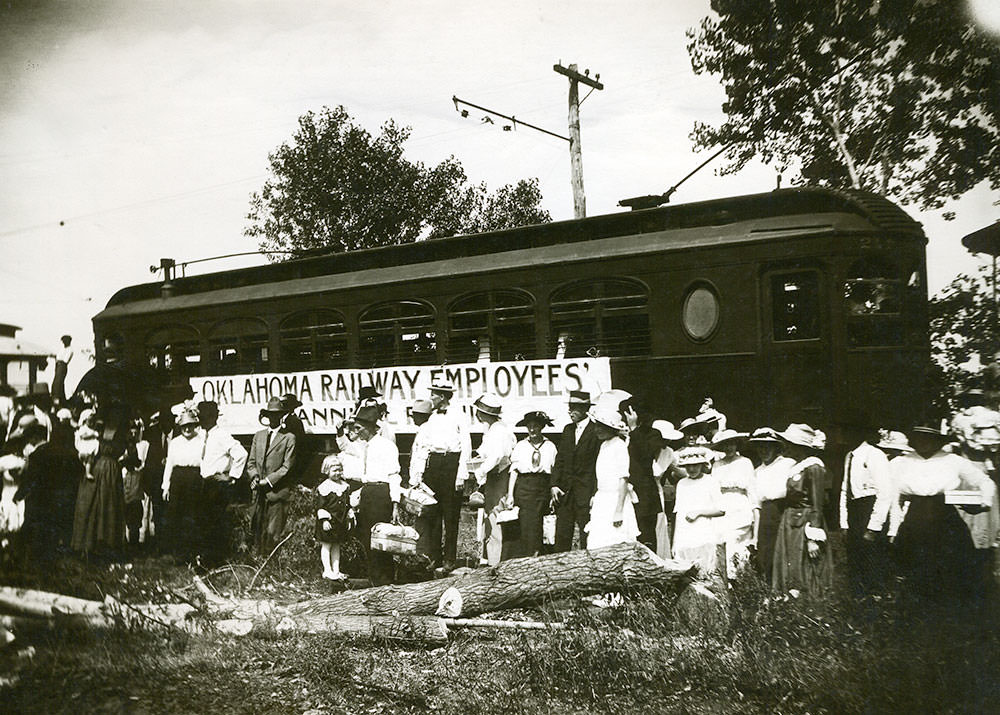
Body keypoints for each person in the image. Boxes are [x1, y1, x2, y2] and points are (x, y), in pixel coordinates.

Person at [890, 425, 996, 601]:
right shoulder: (900, 462)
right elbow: (893, 497)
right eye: (919, 438)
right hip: (914, 516)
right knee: (915, 562)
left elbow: (985, 482)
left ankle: (949, 605)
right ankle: (917, 604)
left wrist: (984, 502)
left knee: (949, 562)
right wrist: (893, 528)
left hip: (944, 515)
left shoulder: (953, 460)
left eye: (928, 438)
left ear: (937, 441)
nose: (923, 443)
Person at [408, 378, 470, 572]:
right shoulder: (432, 418)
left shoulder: (459, 416)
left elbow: (466, 445)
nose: (431, 398)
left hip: (451, 463)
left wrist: (461, 473)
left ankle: (450, 559)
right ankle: (434, 557)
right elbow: (424, 446)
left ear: (442, 396)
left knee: (451, 514)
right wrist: (418, 475)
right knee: (432, 514)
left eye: (433, 394)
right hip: (433, 466)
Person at [772, 424, 834, 597]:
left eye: (789, 443)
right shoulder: (797, 467)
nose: (786, 447)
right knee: (789, 562)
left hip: (804, 522)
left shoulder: (814, 467)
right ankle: (788, 605)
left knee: (805, 564)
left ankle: (807, 610)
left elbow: (817, 504)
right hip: (790, 521)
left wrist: (812, 537)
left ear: (799, 446)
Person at [71, 402, 137, 559]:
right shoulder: (97, 428)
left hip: (110, 470)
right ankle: (87, 545)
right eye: (113, 412)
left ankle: (106, 545)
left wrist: (102, 446)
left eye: (118, 412)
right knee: (89, 503)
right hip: (94, 466)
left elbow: (119, 450)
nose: (115, 415)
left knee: (108, 504)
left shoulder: (122, 432)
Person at [839, 416, 894, 597]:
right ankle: (856, 601)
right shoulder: (849, 456)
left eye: (849, 430)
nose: (845, 435)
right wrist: (844, 523)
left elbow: (885, 492)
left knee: (872, 559)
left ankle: (875, 601)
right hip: (855, 510)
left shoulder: (875, 454)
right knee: (855, 560)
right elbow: (844, 490)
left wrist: (873, 527)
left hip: (869, 510)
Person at [15, 420, 82, 561]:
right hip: (62, 497)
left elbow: (31, 479)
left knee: (35, 525)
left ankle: (22, 552)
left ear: (34, 438)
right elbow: (79, 472)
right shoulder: (68, 454)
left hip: (40, 497)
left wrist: (20, 494)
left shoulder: (37, 455)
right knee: (56, 526)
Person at [351, 405, 402, 585]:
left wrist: (395, 504)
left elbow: (394, 475)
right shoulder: (364, 447)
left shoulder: (387, 446)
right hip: (367, 492)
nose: (356, 432)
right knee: (367, 538)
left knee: (381, 539)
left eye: (359, 428)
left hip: (381, 494)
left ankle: (385, 581)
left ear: (371, 427)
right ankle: (374, 580)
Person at [583, 401, 639, 549]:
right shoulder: (604, 445)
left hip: (615, 499)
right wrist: (596, 495)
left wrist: (619, 510)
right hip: (603, 498)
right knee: (598, 541)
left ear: (611, 429)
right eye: (597, 426)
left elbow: (623, 479)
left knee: (615, 540)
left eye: (602, 427)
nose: (597, 430)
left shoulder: (619, 445)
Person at [198, 400, 248, 564]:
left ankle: (214, 560)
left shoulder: (221, 435)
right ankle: (208, 558)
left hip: (216, 485)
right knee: (206, 522)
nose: (201, 420)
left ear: (212, 417)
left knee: (215, 523)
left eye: (204, 417)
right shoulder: (206, 435)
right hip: (206, 484)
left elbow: (241, 453)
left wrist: (231, 477)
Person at [246, 397, 297, 556]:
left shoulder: (288, 437)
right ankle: (258, 562)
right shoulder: (258, 436)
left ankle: (272, 566)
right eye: (270, 414)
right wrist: (254, 477)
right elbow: (251, 462)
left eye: (277, 415)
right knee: (258, 528)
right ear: (266, 416)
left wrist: (267, 481)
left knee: (273, 532)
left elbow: (287, 467)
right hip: (259, 493)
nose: (273, 418)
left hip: (277, 492)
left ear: (282, 416)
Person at [551, 390, 600, 551]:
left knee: (588, 533)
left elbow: (596, 466)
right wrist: (554, 484)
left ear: (586, 409)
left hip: (585, 492)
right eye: (570, 407)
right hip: (565, 492)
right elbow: (560, 459)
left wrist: (595, 493)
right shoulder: (568, 430)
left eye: (575, 407)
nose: (570, 411)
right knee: (562, 534)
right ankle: (560, 569)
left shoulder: (595, 431)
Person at [470, 393, 515, 565]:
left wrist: (480, 471)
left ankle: (496, 562)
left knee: (496, 516)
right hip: (493, 476)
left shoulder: (499, 431)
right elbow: (484, 452)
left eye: (479, 411)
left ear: (483, 413)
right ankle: (487, 557)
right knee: (489, 516)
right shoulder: (492, 429)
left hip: (499, 476)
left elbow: (496, 456)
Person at [506, 410, 558, 558]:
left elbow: (554, 471)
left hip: (542, 487)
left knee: (541, 524)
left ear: (542, 427)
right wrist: (510, 495)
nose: (532, 429)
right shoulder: (521, 446)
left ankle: (540, 555)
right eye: (529, 426)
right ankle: (527, 556)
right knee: (526, 523)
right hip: (524, 487)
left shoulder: (550, 446)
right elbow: (514, 471)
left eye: (536, 426)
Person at [749, 427, 795, 584]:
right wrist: (755, 534)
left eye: (768, 446)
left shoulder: (788, 464)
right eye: (761, 447)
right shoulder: (757, 471)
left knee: (786, 551)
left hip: (785, 510)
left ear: (776, 448)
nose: (764, 451)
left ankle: (787, 590)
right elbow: (756, 503)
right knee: (766, 554)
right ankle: (769, 590)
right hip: (767, 515)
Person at [672, 446, 725, 574]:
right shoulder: (682, 483)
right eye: (688, 466)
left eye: (695, 465)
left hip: (703, 533)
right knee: (687, 572)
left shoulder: (710, 481)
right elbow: (678, 514)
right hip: (684, 535)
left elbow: (721, 510)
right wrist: (675, 542)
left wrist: (699, 512)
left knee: (705, 571)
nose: (691, 469)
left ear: (702, 465)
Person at [710, 429, 756, 579]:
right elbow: (713, 489)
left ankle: (739, 580)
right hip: (722, 506)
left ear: (737, 445)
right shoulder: (717, 465)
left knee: (736, 542)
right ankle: (724, 580)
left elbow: (751, 488)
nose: (729, 448)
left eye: (731, 444)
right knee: (721, 541)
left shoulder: (745, 462)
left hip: (739, 505)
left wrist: (754, 511)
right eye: (725, 445)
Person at [161, 407, 205, 560]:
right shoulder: (175, 442)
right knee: (176, 515)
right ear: (180, 427)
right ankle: (178, 554)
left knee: (192, 515)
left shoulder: (201, 441)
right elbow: (169, 464)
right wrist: (166, 486)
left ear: (195, 426)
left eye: (190, 425)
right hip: (178, 479)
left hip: (194, 478)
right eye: (184, 426)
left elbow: (204, 462)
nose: (187, 428)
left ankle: (193, 553)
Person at [622, 396, 664, 551]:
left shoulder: (653, 434)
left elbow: (646, 455)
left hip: (644, 495)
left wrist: (633, 430)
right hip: (623, 493)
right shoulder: (618, 435)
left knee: (646, 538)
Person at [315, 453, 351, 581]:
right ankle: (327, 570)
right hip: (329, 522)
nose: (337, 473)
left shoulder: (344, 486)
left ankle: (336, 570)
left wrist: (349, 513)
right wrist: (324, 520)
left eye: (339, 470)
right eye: (334, 470)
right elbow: (320, 506)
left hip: (339, 521)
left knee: (337, 545)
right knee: (326, 545)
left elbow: (347, 503)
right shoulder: (325, 487)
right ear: (326, 470)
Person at [651, 419, 683, 559]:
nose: (666, 442)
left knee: (658, 525)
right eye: (663, 438)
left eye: (668, 439)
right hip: (638, 491)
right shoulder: (640, 447)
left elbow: (681, 471)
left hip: (656, 493)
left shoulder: (668, 452)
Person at [53, 335, 73, 404]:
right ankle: (61, 400)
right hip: (58, 366)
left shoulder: (70, 350)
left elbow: (65, 360)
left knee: (58, 383)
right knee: (57, 383)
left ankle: (58, 400)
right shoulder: (62, 349)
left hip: (62, 366)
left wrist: (58, 360)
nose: (63, 343)